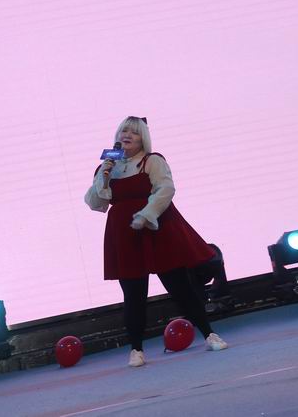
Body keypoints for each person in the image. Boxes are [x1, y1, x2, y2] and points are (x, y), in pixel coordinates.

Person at [85, 117, 228, 366]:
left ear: (143, 138)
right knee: (133, 293)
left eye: (134, 132)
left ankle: (209, 334)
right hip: (125, 232)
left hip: (157, 227)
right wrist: (103, 176)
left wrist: (147, 214)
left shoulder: (153, 161)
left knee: (180, 287)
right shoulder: (108, 167)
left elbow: (166, 189)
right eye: (124, 131)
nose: (127, 135)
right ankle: (136, 349)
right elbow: (96, 204)